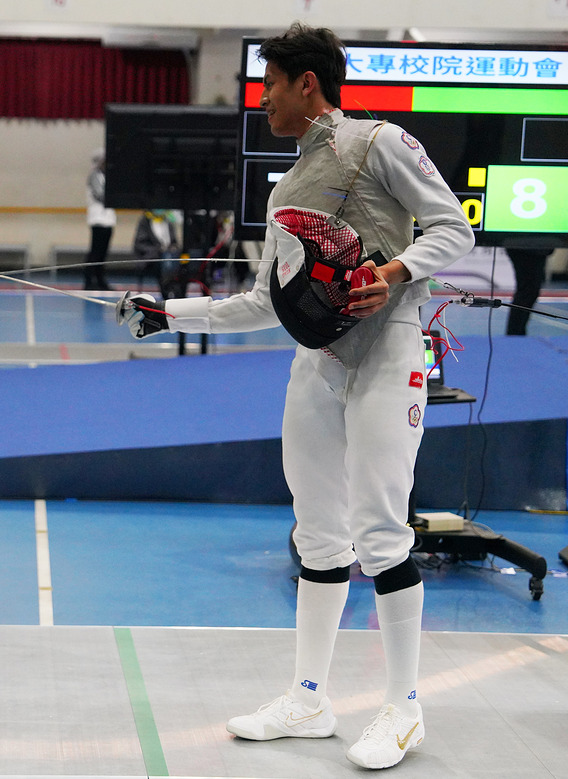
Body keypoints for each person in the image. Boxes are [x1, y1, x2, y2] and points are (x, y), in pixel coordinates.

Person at [118, 23, 473, 769]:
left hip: (389, 353)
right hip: (317, 365)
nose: (264, 99)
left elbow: (453, 229)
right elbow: (261, 302)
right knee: (317, 534)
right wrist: (169, 313)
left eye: (271, 84)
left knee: (381, 532)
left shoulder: (378, 143)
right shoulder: (286, 187)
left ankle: (404, 708)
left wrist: (394, 273)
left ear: (306, 83)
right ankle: (310, 698)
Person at [83, 148, 115, 290]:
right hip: (97, 218)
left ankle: (100, 279)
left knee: (103, 253)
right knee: (95, 251)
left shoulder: (106, 176)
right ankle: (89, 279)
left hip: (108, 219)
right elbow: (100, 194)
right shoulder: (94, 176)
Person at [504, 246, 553, 335]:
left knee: (530, 291)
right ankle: (515, 332)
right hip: (527, 248)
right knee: (527, 291)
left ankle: (517, 332)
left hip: (536, 248)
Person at [132, 209, 179, 298]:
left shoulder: (168, 221)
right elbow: (140, 244)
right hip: (152, 257)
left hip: (169, 256)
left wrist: (172, 248)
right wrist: (158, 250)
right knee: (163, 263)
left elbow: (174, 242)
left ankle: (176, 292)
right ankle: (167, 291)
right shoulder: (145, 221)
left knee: (180, 262)